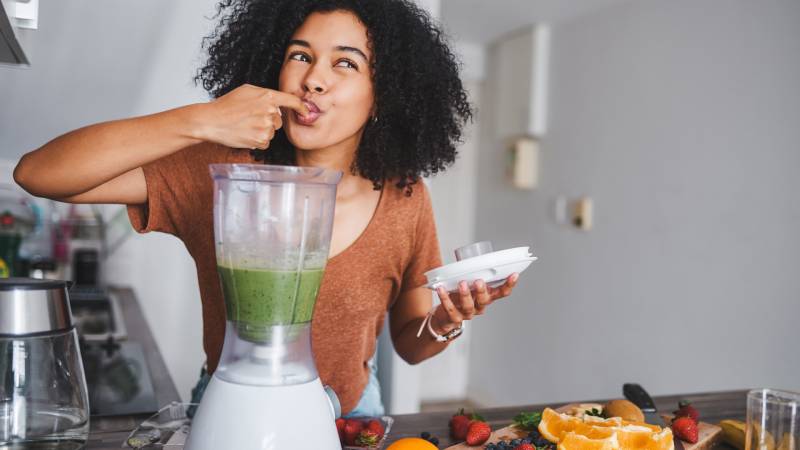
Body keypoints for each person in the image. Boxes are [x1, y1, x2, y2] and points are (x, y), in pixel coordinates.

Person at [14, 0, 519, 417]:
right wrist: (203, 120)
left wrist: (447, 320)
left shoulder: (405, 196)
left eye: (345, 63)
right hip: (231, 409)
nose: (313, 79)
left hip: (353, 420)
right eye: (300, 55)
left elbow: (411, 346)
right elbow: (38, 174)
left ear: (382, 94)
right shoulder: (220, 170)